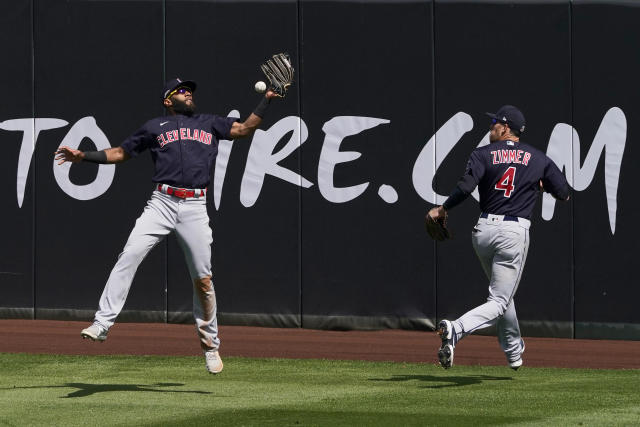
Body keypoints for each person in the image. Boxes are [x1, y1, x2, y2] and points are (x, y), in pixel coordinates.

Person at [55, 77, 280, 374]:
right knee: (129, 256)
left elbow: (244, 128)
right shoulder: (153, 127)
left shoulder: (209, 123)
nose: (188, 94)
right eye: (181, 91)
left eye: (189, 91)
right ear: (167, 100)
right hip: (161, 202)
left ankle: (211, 346)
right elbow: (121, 153)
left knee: (203, 279)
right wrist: (84, 156)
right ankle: (102, 323)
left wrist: (266, 100)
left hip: (195, 206)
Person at [427, 105, 570, 370]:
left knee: (503, 294)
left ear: (505, 128)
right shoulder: (538, 158)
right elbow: (564, 193)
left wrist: (443, 208)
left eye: (494, 123)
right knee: (500, 300)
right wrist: (541, 184)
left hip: (483, 232)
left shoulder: (482, 154)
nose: (491, 127)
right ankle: (456, 329)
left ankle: (514, 352)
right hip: (513, 233)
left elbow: (465, 187)